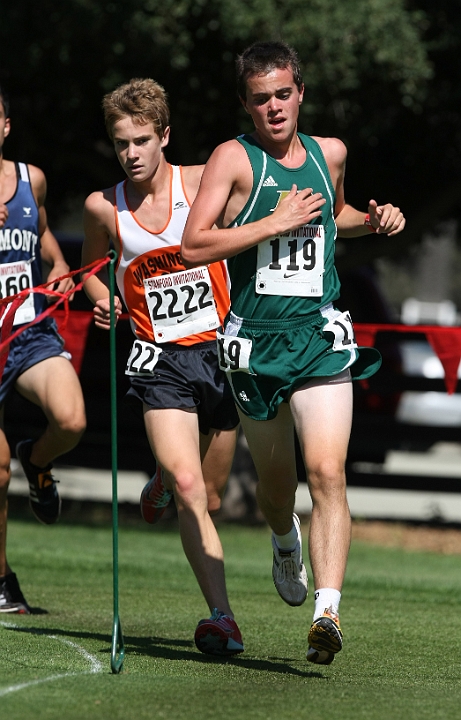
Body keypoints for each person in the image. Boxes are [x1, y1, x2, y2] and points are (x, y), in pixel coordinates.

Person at [181, 41, 405, 665]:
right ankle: (285, 540)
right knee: (278, 492)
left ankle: (327, 612)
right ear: (247, 105)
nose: (274, 108)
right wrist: (270, 225)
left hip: (321, 333)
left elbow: (334, 215)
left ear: (300, 92)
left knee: (328, 472)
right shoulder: (234, 159)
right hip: (256, 343)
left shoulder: (329, 154)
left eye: (283, 94)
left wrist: (375, 217)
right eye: (261, 99)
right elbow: (194, 245)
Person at [81, 78, 243, 656]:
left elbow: (261, 205)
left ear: (164, 137)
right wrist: (108, 301)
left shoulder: (201, 182)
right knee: (191, 486)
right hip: (157, 358)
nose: (131, 153)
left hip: (218, 354)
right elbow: (91, 273)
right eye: (121, 142)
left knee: (214, 495)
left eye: (142, 140)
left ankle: (159, 481)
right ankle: (221, 617)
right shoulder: (104, 206)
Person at [0, 84, 87, 613]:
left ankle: (39, 460)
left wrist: (59, 277)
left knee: (72, 419)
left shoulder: (31, 181)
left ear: (6, 126)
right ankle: (2, 578)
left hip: (27, 335)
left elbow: (49, 250)